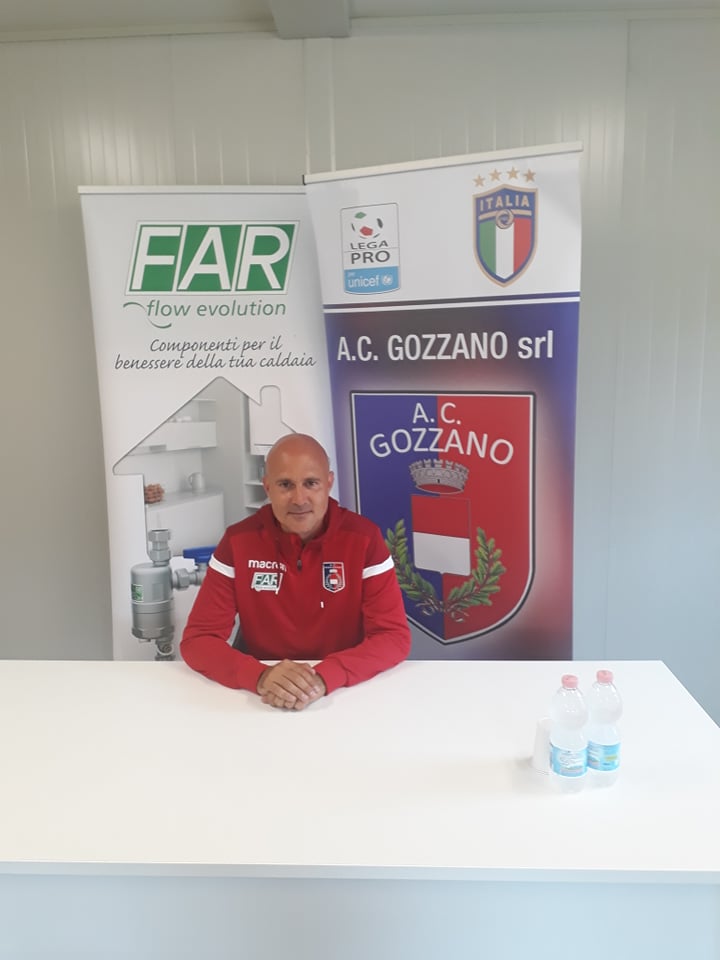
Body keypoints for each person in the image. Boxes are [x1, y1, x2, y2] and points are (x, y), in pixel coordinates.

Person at [180, 433, 411, 710]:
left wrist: (325, 677)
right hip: (263, 698)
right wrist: (261, 676)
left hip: (343, 695)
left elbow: (393, 636)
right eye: (285, 485)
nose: (299, 499)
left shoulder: (364, 539)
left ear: (329, 483)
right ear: (267, 487)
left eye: (311, 483)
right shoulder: (238, 541)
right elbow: (198, 640)